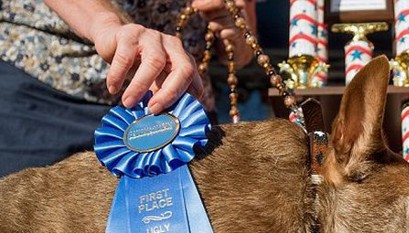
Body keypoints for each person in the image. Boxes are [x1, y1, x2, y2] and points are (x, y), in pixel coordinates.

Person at [0, 0, 256, 177]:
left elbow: (243, 51)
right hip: (42, 100)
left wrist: (234, 27)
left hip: (182, 117)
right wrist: (110, 26)